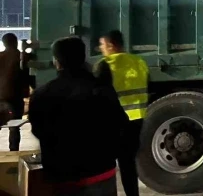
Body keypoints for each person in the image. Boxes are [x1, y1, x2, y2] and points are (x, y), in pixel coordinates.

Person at [28, 36, 127, 195]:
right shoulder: (101, 90)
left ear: (57, 61)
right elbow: (121, 125)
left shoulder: (42, 94)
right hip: (101, 174)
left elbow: (38, 131)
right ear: (83, 58)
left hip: (63, 178)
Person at [95, 30, 149, 196]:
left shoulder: (105, 65)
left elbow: (99, 96)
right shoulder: (139, 61)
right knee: (128, 165)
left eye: (102, 45)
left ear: (111, 45)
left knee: (106, 166)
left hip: (114, 122)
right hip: (137, 120)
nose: (101, 48)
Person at [0, 33, 26, 151]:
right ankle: (13, 151)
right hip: (15, 96)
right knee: (14, 126)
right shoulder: (20, 56)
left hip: (0, 96)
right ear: (16, 42)